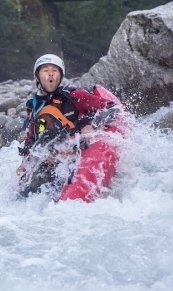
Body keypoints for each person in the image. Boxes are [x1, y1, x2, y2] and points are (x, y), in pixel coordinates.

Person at [16, 53, 121, 196]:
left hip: (75, 156)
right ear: (38, 76)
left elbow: (112, 107)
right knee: (23, 196)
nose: (50, 75)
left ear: (60, 75)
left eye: (54, 71)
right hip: (50, 163)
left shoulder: (75, 96)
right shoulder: (36, 107)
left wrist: (93, 125)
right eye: (45, 71)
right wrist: (26, 163)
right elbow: (32, 139)